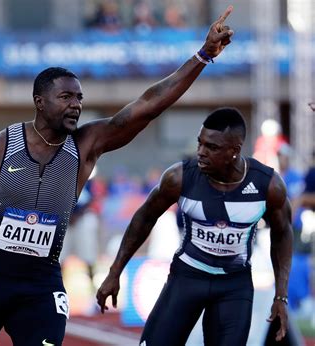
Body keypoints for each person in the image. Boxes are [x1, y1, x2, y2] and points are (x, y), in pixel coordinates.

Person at [0, 7, 234, 346]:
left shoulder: (87, 145)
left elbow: (148, 104)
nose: (76, 104)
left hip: (41, 282)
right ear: (40, 101)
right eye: (65, 97)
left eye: (79, 97)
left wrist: (202, 55)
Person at [96, 107, 293, 345]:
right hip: (187, 278)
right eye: (200, 143)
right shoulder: (179, 178)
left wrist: (281, 296)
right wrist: (115, 272)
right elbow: (144, 217)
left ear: (234, 151)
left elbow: (283, 235)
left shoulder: (268, 185)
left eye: (212, 147)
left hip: (233, 286)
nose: (200, 152)